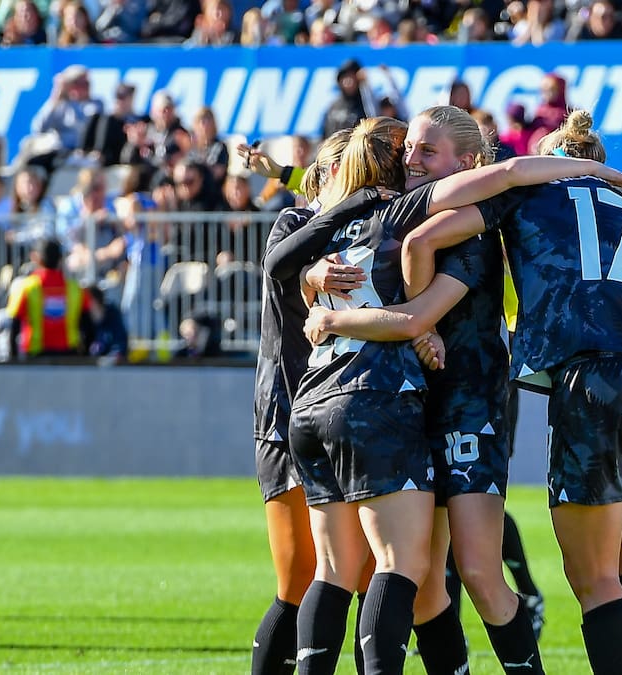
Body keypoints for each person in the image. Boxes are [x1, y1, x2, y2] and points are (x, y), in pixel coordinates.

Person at [265, 114, 622, 675]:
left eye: (427, 151)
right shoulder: (397, 213)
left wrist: (411, 321)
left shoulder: (475, 222)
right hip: (405, 402)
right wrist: (315, 275)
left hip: (470, 403)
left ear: (467, 163)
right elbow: (338, 208)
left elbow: (486, 195)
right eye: (409, 149)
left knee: (479, 573)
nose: (411, 160)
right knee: (420, 584)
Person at [380, 110, 622, 675]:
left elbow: (424, 236)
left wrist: (421, 324)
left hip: (593, 378)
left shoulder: (529, 192)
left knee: (595, 577)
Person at [247, 128, 381, 675]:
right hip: (286, 413)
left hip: (350, 410)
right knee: (300, 578)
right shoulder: (294, 223)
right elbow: (283, 269)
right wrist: (310, 272)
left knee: (368, 574)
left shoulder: (368, 229)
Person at [5, 237, 91, 359]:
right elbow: (89, 327)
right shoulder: (76, 289)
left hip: (36, 356)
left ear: (35, 258)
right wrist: (84, 356)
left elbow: (14, 327)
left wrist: (13, 358)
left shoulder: (26, 287)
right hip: (69, 356)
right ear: (60, 259)